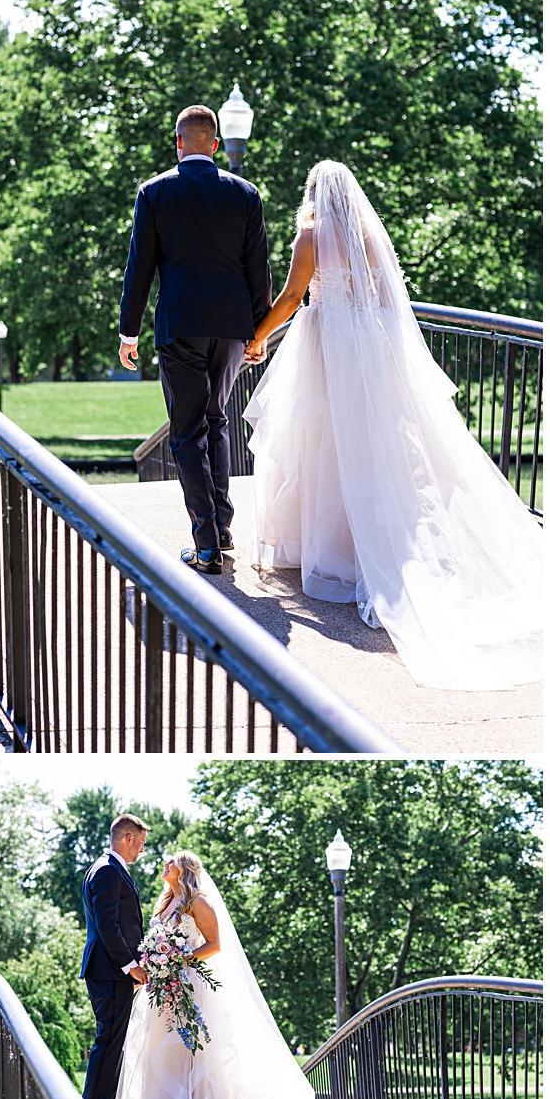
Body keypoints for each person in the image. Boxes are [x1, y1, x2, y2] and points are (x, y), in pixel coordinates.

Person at [243, 160, 542, 690]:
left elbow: (292, 298)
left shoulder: (310, 235)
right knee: (373, 447)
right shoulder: (366, 235)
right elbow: (388, 301)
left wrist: (257, 337)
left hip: (326, 346)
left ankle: (330, 549)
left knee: (320, 445)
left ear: (314, 193)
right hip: (371, 348)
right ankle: (371, 546)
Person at [117, 104, 273, 574]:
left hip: (181, 325)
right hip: (230, 329)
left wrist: (130, 331)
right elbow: (258, 271)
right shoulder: (245, 194)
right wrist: (259, 329)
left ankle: (206, 546)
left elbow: (139, 269)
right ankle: (221, 529)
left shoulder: (155, 192)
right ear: (218, 145)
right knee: (215, 420)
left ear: (178, 142)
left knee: (186, 433)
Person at [113, 851, 342, 1099]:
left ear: (184, 870)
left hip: (190, 984)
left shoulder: (199, 902)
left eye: (171, 861)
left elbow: (214, 945)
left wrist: (178, 958)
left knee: (196, 1053)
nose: (165, 863)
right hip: (163, 986)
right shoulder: (165, 903)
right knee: (165, 1054)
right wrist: (156, 963)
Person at [80, 813, 150, 1099]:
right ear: (128, 839)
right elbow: (109, 925)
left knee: (114, 1044)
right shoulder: (108, 870)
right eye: (141, 844)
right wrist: (129, 965)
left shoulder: (110, 869)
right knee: (108, 1043)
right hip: (109, 972)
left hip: (112, 972)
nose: (142, 851)